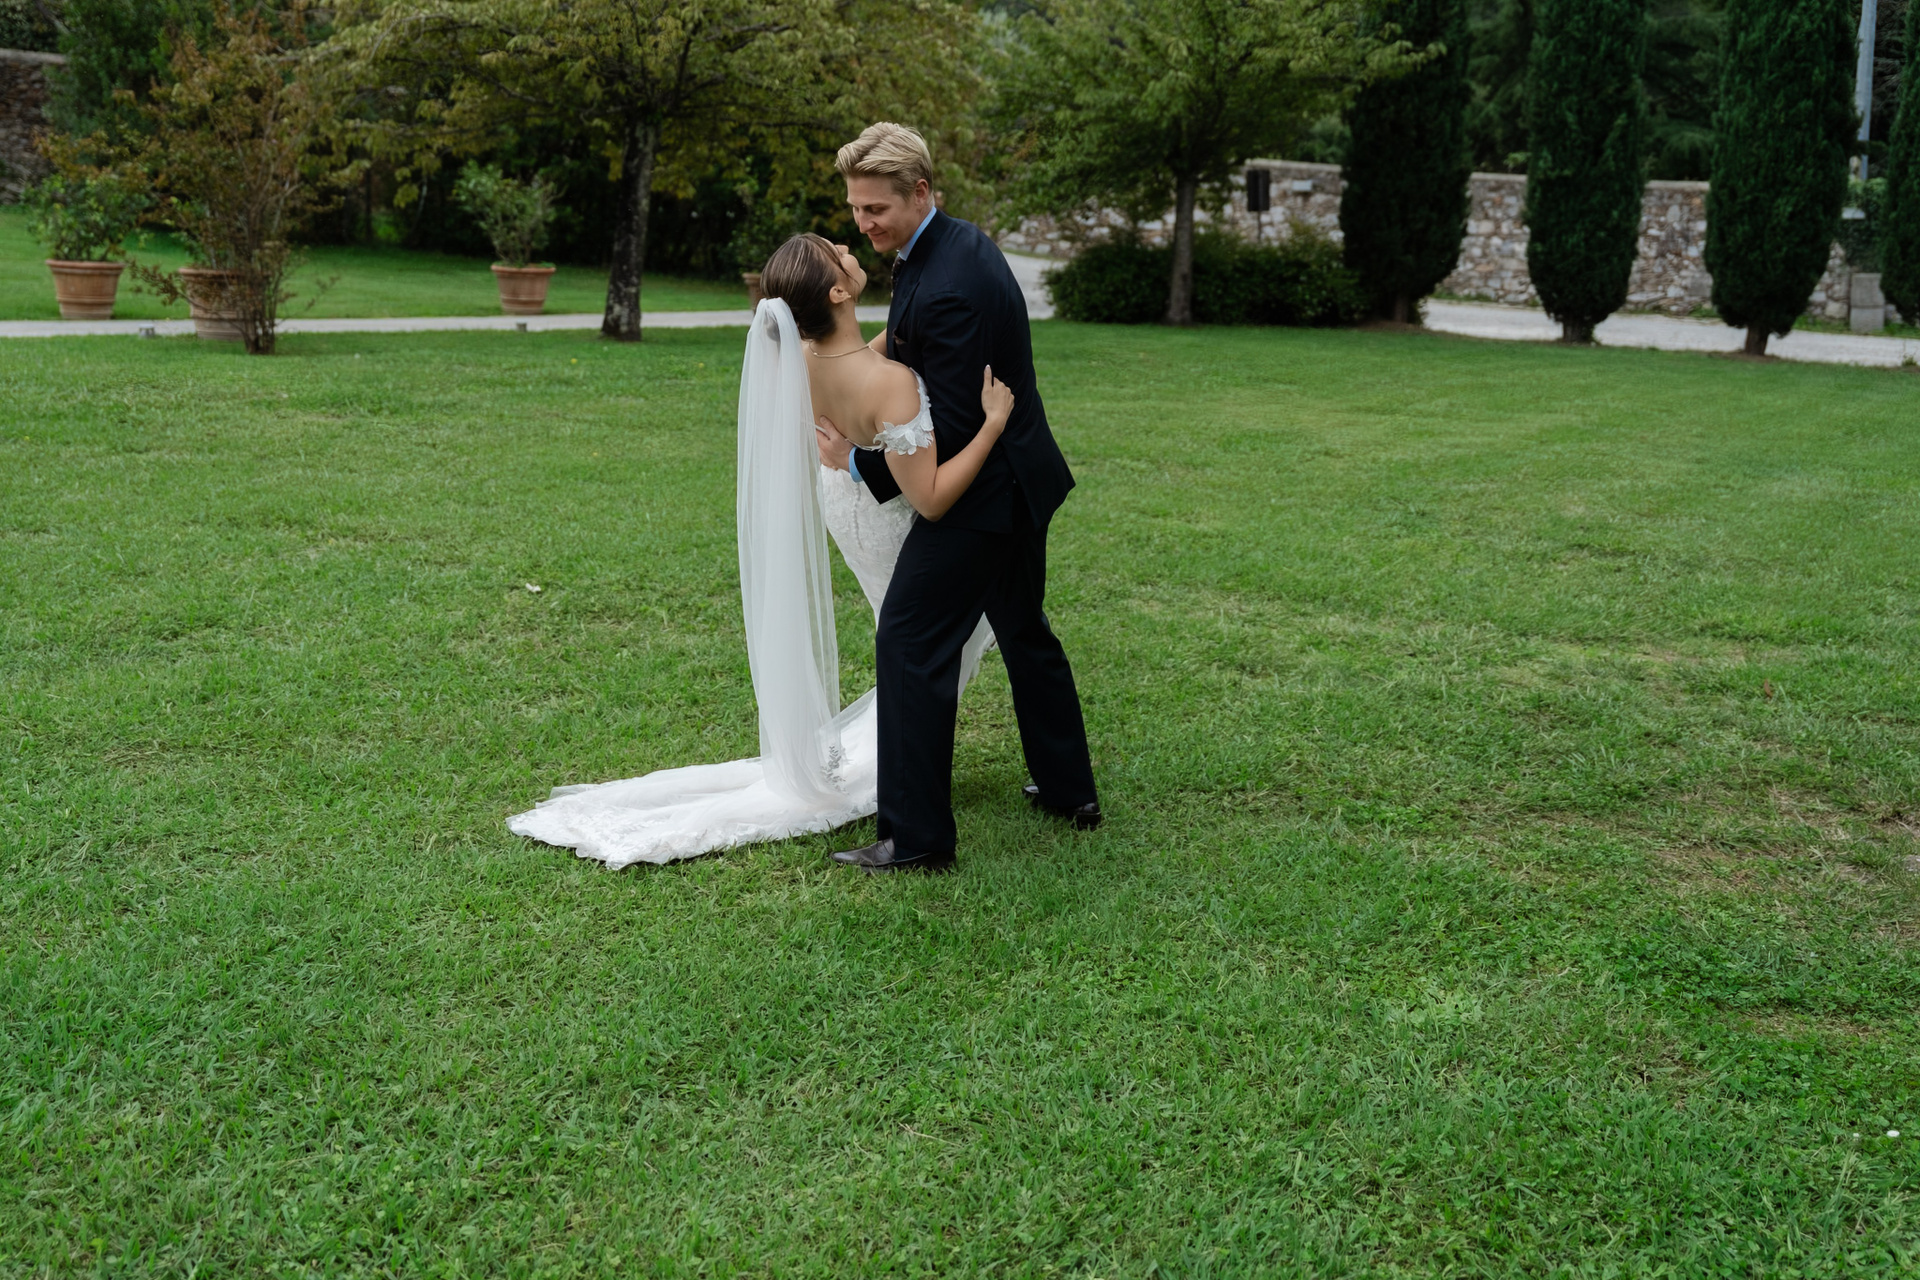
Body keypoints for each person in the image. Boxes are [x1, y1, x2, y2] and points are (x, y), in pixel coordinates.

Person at [504, 233, 1006, 868]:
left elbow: (859, 349)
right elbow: (929, 500)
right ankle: (908, 773)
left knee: (907, 630)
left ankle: (905, 754)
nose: (848, 243)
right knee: (934, 639)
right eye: (836, 250)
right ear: (838, 290)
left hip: (845, 510)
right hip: (889, 520)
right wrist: (991, 425)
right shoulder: (892, 384)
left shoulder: (802, 358)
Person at [815, 122, 1100, 875]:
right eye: (856, 208)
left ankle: (916, 840)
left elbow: (953, 424)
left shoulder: (948, 286)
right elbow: (907, 344)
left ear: (920, 192)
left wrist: (858, 462)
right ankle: (1069, 791)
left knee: (909, 641)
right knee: (1024, 630)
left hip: (986, 495)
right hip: (1020, 475)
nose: (863, 223)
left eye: (876, 208)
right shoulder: (946, 245)